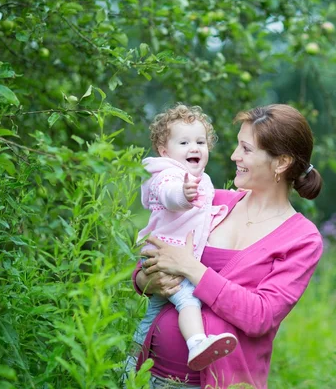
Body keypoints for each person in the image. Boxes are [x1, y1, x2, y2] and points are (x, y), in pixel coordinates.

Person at [133, 104, 324, 389]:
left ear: (281, 162)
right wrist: (149, 279)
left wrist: (191, 268)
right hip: (148, 374)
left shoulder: (301, 239)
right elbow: (146, 266)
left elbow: (260, 316)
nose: (235, 156)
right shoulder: (211, 202)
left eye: (246, 149)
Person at [128, 104, 238, 376]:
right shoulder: (164, 174)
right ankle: (197, 342)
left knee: (150, 318)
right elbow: (168, 195)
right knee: (189, 299)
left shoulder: (203, 180)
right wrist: (183, 194)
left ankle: (129, 369)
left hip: (176, 258)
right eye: (184, 142)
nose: (195, 148)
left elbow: (200, 216)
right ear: (165, 151)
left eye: (201, 142)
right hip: (164, 256)